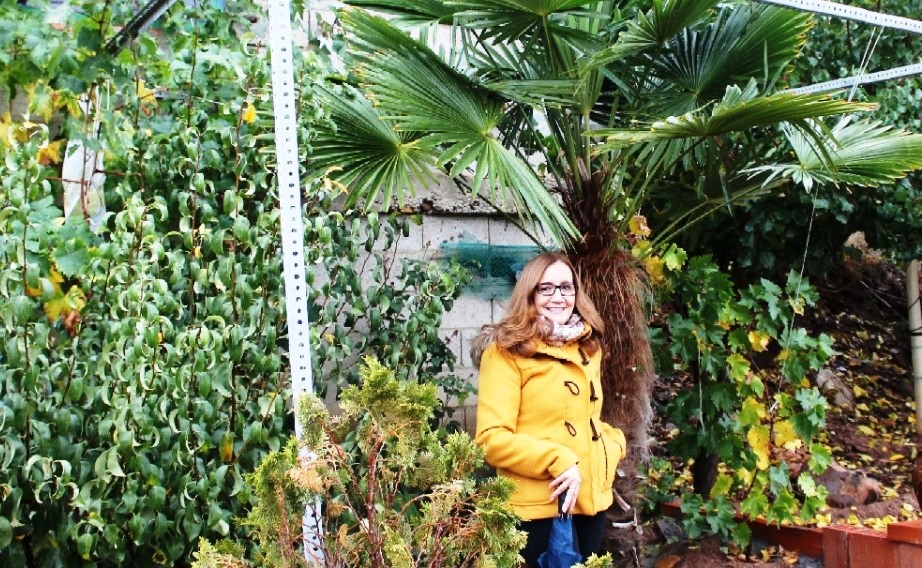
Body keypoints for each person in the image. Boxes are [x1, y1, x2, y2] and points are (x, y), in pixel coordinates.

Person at [473, 251, 627, 567]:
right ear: (530, 293)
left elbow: (588, 419)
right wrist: (557, 459)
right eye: (546, 288)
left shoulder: (587, 347)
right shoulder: (506, 353)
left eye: (566, 287)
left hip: (591, 500)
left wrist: (613, 446)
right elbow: (491, 439)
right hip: (538, 506)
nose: (558, 297)